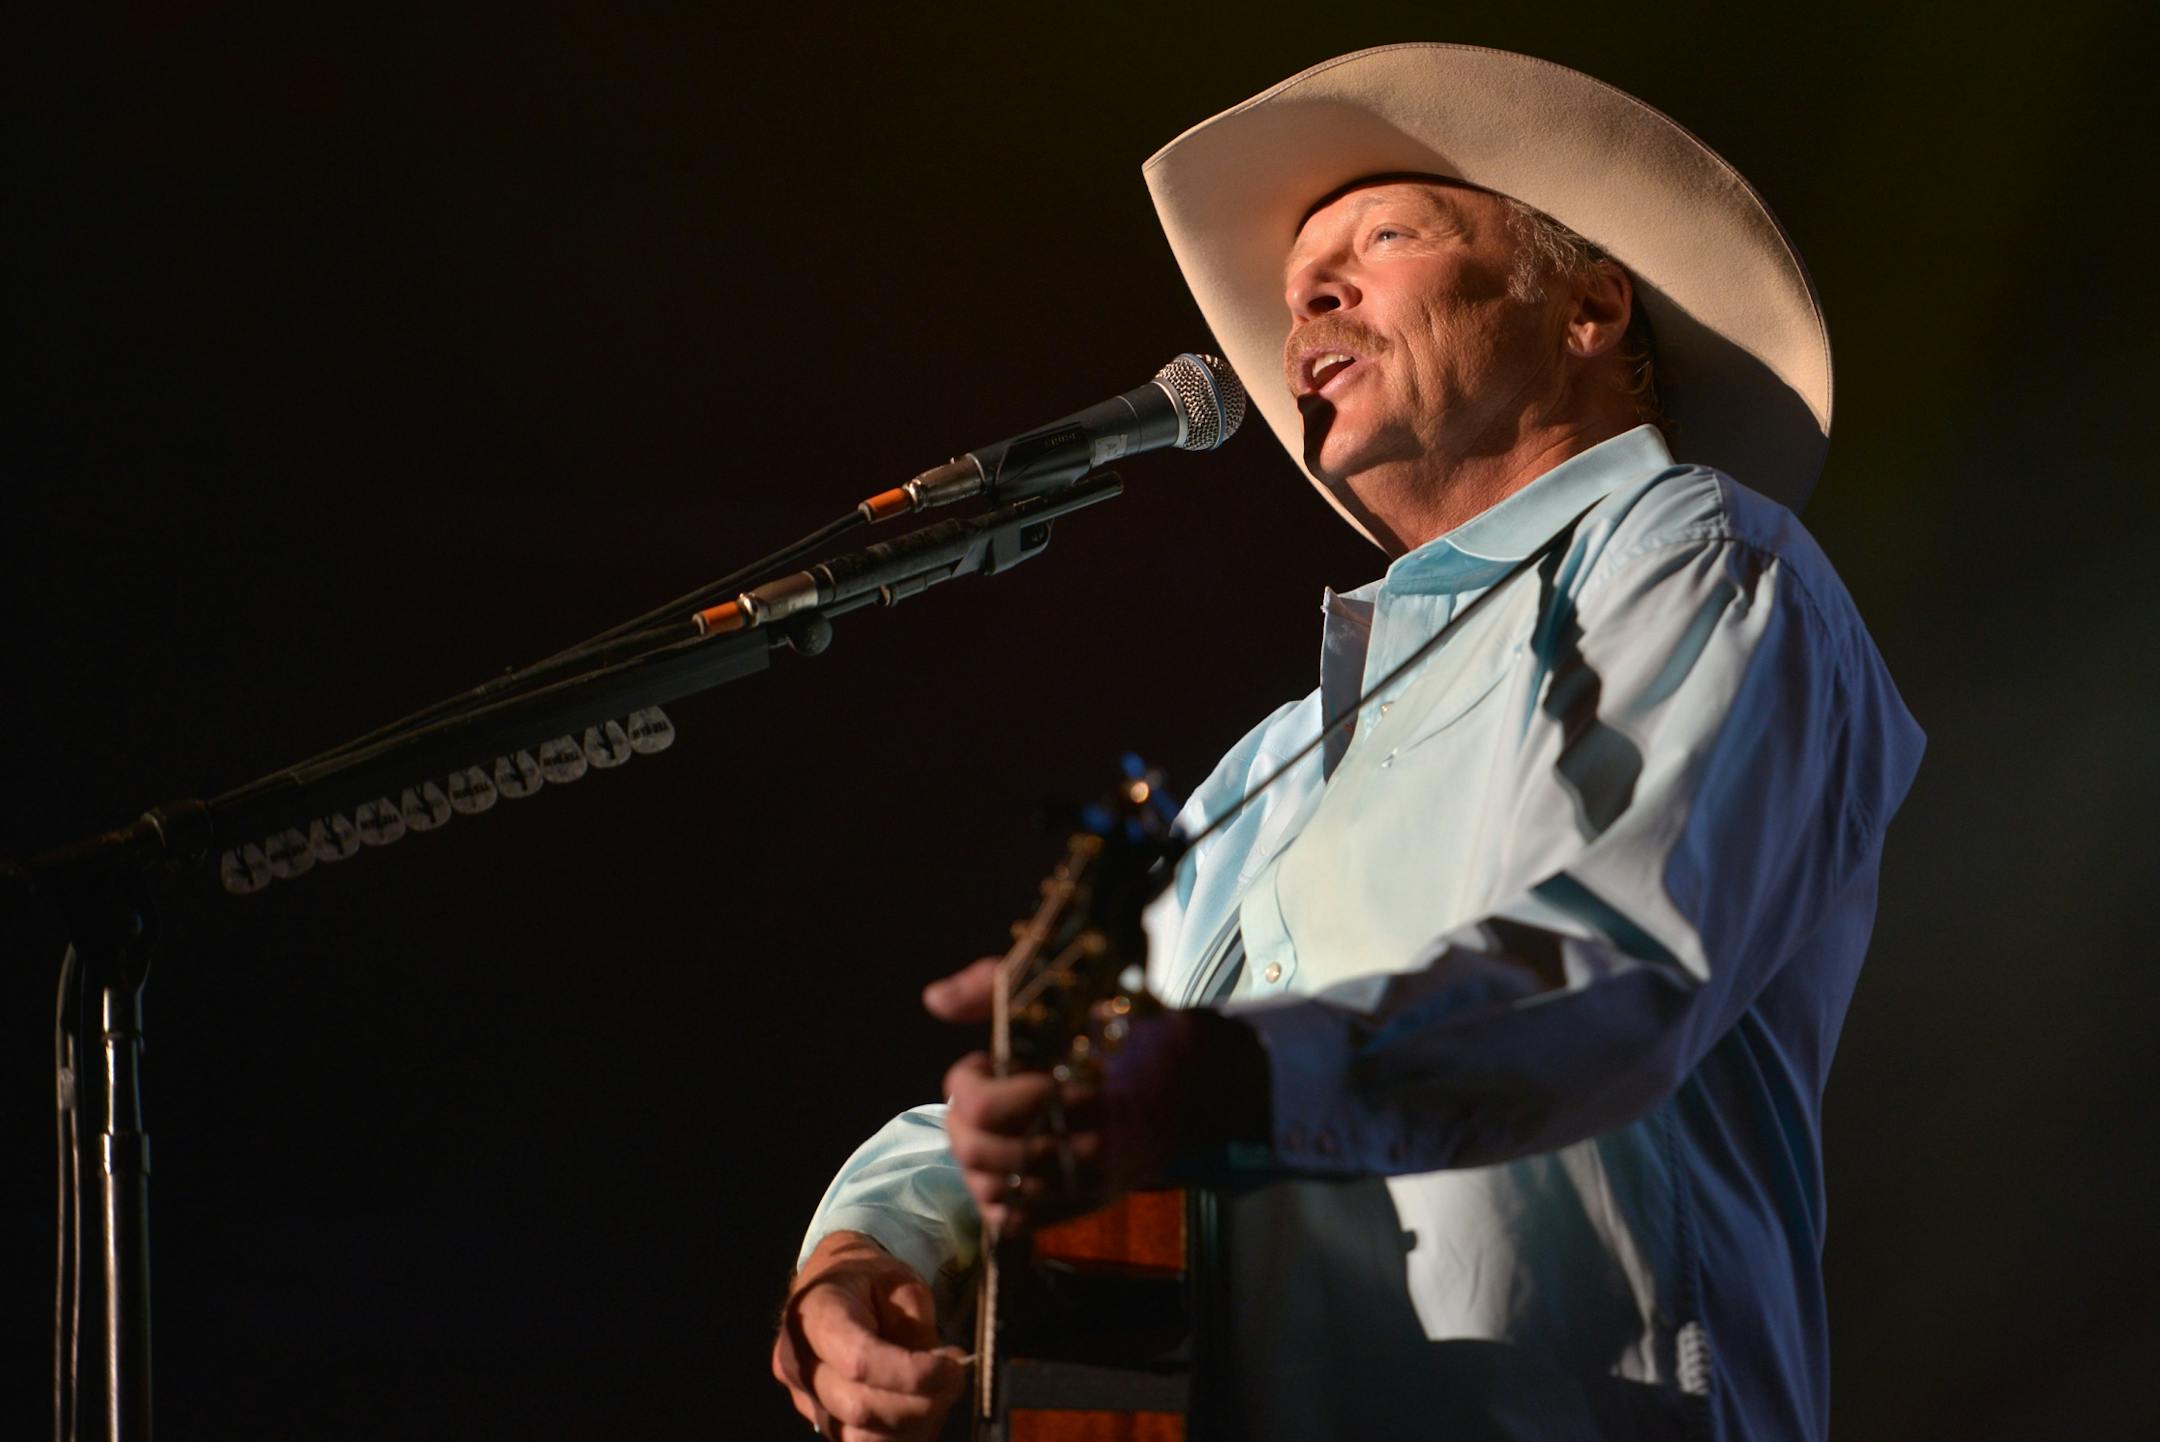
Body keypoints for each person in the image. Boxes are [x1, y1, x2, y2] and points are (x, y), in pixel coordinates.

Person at [770, 43, 1922, 1442]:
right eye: (1299, 278)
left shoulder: (1703, 555)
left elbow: (1615, 959)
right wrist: (868, 1250)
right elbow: (1078, 1083)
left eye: (1383, 239)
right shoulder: (1271, 764)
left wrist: (1224, 1079)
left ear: (1588, 305)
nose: (1309, 296)